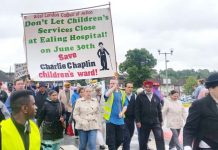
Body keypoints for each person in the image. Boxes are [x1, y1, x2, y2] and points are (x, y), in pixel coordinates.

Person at [183, 73, 218, 150]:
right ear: (211, 88)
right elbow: (189, 127)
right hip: (207, 146)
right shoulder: (199, 104)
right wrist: (187, 146)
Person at [135, 80, 165, 150]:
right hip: (144, 122)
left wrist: (161, 120)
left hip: (156, 122)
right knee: (143, 140)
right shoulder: (140, 97)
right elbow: (137, 110)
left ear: (152, 88)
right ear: (144, 87)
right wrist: (138, 121)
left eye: (150, 87)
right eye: (146, 87)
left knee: (159, 138)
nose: (148, 88)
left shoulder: (156, 97)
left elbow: (159, 110)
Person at [104, 79, 128, 150]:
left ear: (117, 84)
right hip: (110, 120)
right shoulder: (108, 91)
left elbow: (125, 105)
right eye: (110, 83)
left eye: (113, 83)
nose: (111, 84)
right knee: (111, 141)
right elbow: (106, 95)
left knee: (120, 139)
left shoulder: (122, 93)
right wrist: (113, 88)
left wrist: (122, 112)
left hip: (120, 120)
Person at [123, 82, 136, 150]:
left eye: (131, 87)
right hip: (123, 119)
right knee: (126, 136)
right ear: (125, 88)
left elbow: (137, 108)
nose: (130, 89)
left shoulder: (135, 96)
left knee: (130, 135)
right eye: (128, 87)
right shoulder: (121, 95)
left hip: (132, 119)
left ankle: (124, 148)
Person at [94, 85, 107, 149]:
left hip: (103, 116)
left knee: (103, 130)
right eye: (97, 90)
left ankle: (102, 143)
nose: (98, 91)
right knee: (98, 130)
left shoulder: (104, 96)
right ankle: (101, 144)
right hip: (96, 116)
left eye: (99, 90)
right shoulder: (93, 97)